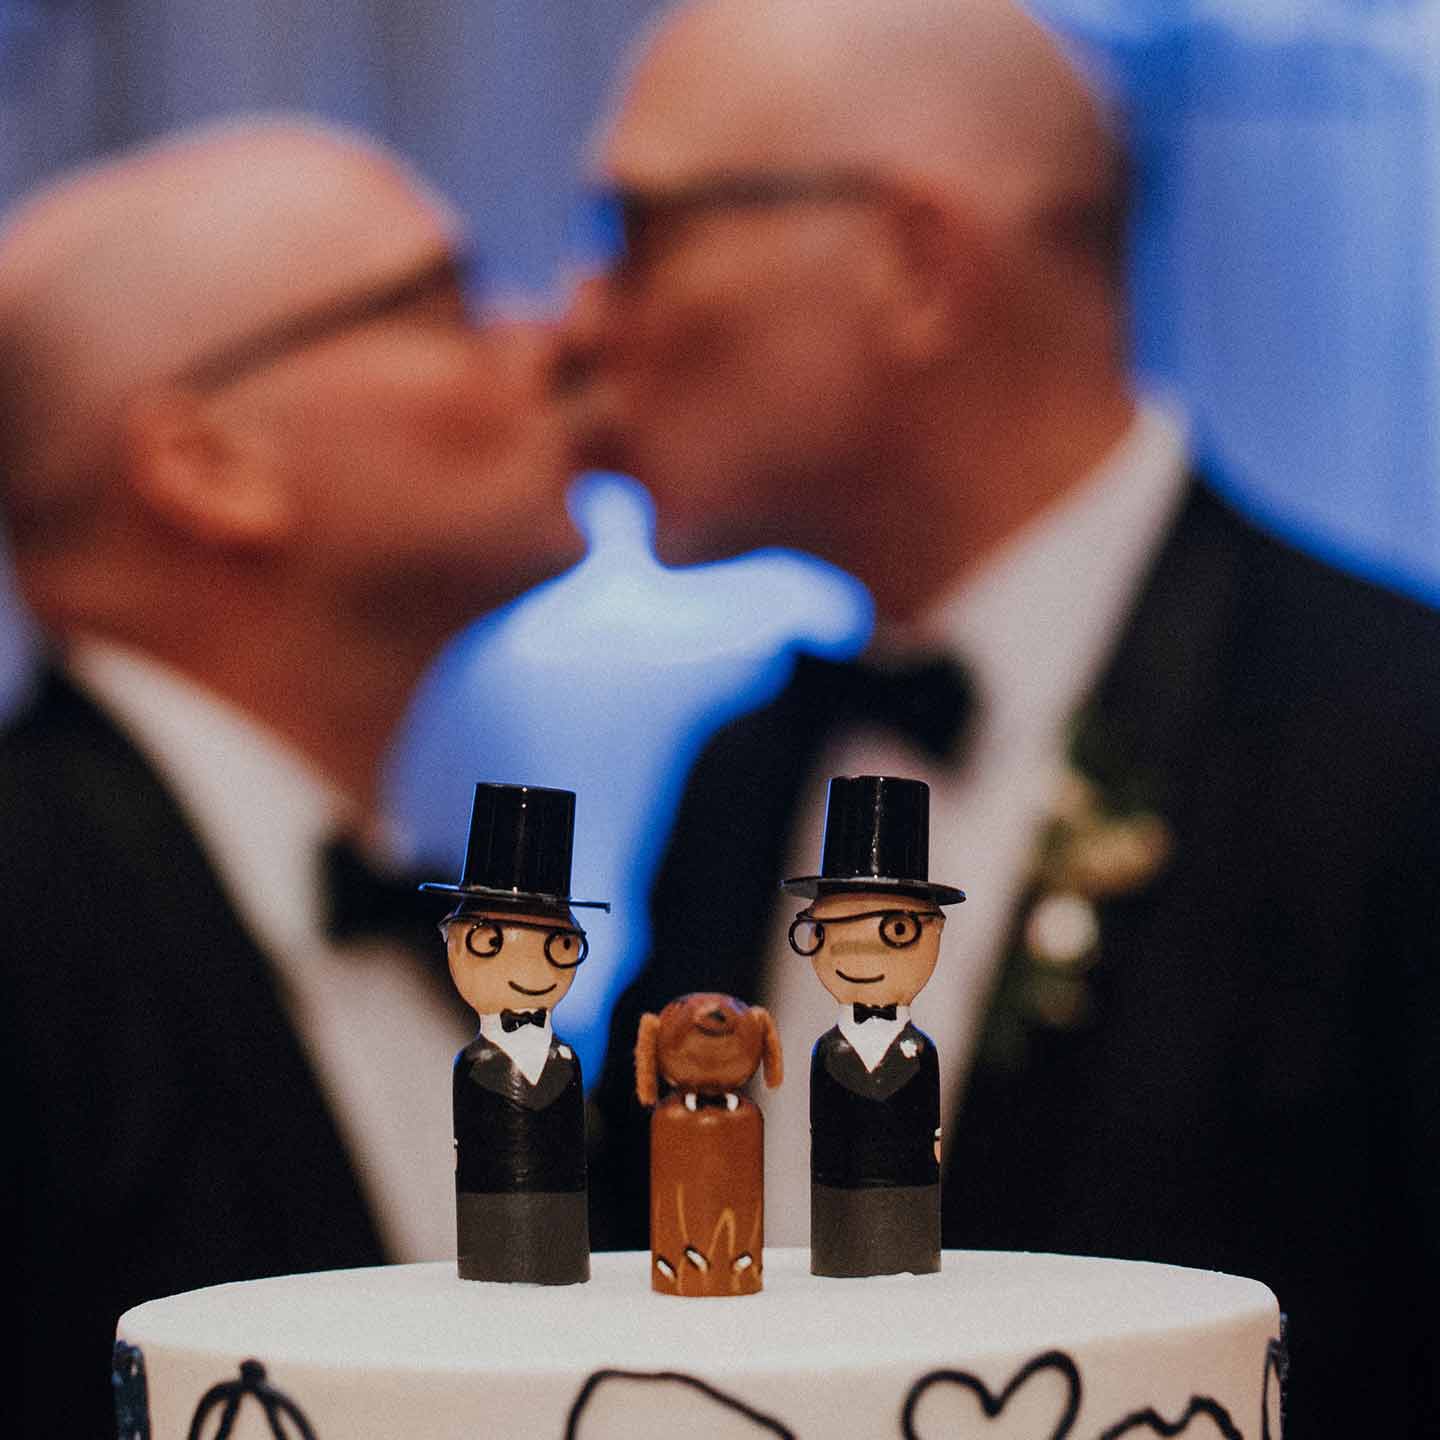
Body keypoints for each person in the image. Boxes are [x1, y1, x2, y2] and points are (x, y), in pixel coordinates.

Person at [561, 2, 1440, 1435]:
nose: (580, 321)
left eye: (637, 231)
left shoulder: (1398, 744)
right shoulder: (740, 774)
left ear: (915, 265)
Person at [0, 117, 583, 1437]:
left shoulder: (426, 917)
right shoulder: (31, 914)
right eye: (446, 301)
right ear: (209, 465)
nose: (550, 340)